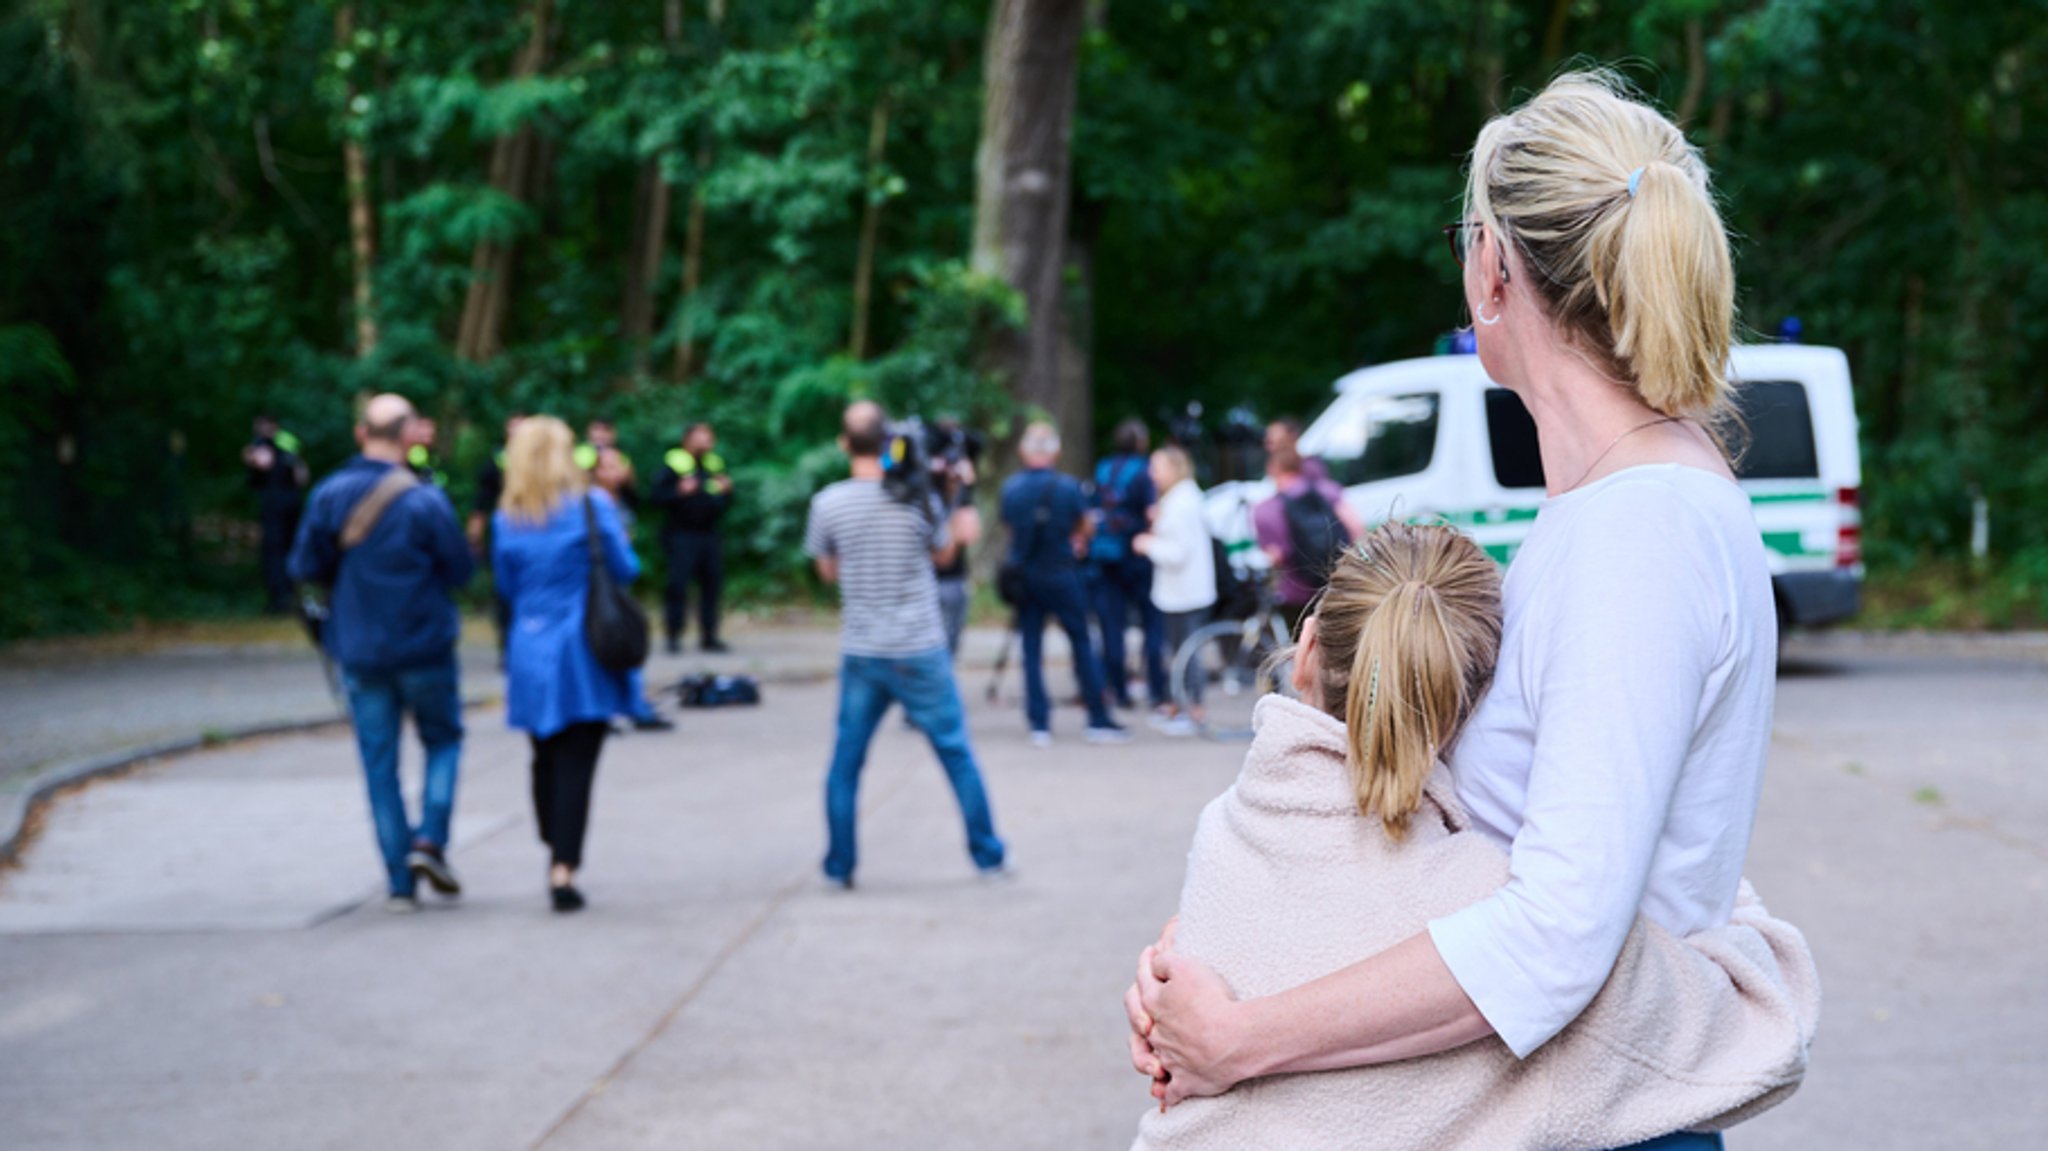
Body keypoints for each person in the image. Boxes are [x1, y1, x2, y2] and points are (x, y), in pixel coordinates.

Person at [1127, 72, 1793, 1151]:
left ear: (1494, 266)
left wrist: (1241, 1035)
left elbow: (1556, 932)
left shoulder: (1638, 533)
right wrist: (1207, 962)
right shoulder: (1614, 506)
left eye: (1462, 237)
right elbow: (1472, 836)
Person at [1129, 524, 1815, 1150]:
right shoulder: (1489, 913)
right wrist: (1734, 905)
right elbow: (1754, 1036)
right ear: (1477, 710)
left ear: (1305, 650)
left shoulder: (1223, 834)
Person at [805, 402, 1009, 889]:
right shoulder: (917, 499)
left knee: (846, 762)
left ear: (843, 443)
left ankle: (839, 866)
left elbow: (826, 570)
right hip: (920, 647)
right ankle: (989, 857)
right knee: (956, 752)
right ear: (888, 440)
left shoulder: (827, 503)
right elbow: (942, 556)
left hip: (863, 650)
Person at [287, 394, 473, 913]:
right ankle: (429, 840)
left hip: (361, 651)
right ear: (408, 433)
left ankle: (399, 883)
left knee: (379, 764)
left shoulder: (328, 495)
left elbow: (303, 567)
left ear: (360, 433)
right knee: (443, 740)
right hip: (426, 648)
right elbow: (460, 570)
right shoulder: (425, 500)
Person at [493, 416, 642, 912]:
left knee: (544, 752)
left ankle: (552, 836)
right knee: (580, 760)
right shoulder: (592, 506)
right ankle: (563, 866)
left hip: (530, 647)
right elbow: (627, 569)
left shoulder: (506, 516)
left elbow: (506, 587)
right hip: (583, 649)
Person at [999, 423, 1130, 746]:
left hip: (1026, 576)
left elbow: (1009, 530)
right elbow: (1086, 526)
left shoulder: (1011, 489)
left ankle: (1039, 723)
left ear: (1023, 451)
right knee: (1082, 643)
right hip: (1061, 573)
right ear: (1055, 451)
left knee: (1031, 648)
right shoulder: (1069, 487)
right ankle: (1097, 717)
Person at [1131, 445, 1214, 736]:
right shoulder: (1182, 497)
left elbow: (1178, 553)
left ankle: (1193, 710)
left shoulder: (1181, 503)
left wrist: (1147, 544)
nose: (1152, 474)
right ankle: (1181, 705)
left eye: (1157, 467)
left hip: (1185, 591)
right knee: (1180, 651)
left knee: (1187, 653)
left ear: (1173, 469)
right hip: (1183, 591)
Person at [592, 445, 673, 732]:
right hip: (605, 584)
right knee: (619, 643)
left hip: (616, 582)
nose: (614, 472)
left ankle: (630, 706)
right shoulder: (596, 501)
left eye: (618, 465)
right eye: (607, 466)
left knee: (622, 644)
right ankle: (627, 708)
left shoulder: (622, 499)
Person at [1088, 418, 1167, 712]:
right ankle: (1157, 690)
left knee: (1112, 626)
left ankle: (1118, 690)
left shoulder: (1103, 467)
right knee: (1152, 623)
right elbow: (1151, 512)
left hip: (1106, 556)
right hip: (1137, 555)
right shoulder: (1145, 472)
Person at [651, 422, 732, 654]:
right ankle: (673, 636)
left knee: (712, 586)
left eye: (709, 436)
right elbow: (655, 497)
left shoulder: (715, 464)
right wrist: (679, 491)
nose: (707, 441)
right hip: (681, 535)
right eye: (701, 436)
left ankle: (709, 637)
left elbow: (725, 502)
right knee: (677, 586)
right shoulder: (672, 464)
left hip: (710, 534)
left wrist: (728, 492)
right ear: (687, 439)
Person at [469, 413, 524, 661]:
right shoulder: (497, 460)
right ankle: (507, 648)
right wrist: (475, 534)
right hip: (507, 532)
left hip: (535, 532)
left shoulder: (544, 461)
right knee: (504, 593)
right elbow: (482, 500)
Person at [928, 421, 983, 658]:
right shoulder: (924, 494)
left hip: (951, 579)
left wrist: (961, 488)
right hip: (939, 580)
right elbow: (947, 553)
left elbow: (970, 534)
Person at [244, 414, 309, 615]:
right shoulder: (288, 442)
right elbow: (302, 476)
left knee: (274, 552)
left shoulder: (261, 444)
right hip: (292, 503)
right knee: (290, 549)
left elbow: (264, 464)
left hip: (274, 504)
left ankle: (280, 600)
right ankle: (293, 597)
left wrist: (251, 458)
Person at [403, 416, 448, 488]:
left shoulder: (435, 460)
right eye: (422, 436)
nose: (427, 441)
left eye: (430, 436)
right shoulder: (399, 458)